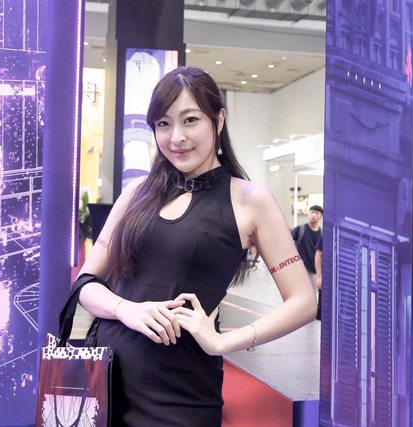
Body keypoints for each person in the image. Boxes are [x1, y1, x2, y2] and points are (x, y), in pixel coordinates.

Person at [76, 66, 317, 426]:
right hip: (106, 386)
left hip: (181, 395)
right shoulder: (136, 194)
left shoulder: (250, 200)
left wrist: (226, 342)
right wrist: (126, 309)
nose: (177, 137)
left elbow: (303, 301)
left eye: (190, 120)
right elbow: (85, 284)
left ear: (218, 120)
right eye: (163, 124)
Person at [291, 205, 323, 290]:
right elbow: (287, 243)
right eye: (312, 212)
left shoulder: (322, 233)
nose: (313, 215)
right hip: (300, 270)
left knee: (312, 295)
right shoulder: (300, 229)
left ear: (321, 216)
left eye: (317, 213)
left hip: (314, 272)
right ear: (308, 214)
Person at [314, 234, 323, 320]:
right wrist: (319, 276)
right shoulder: (327, 234)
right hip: (326, 278)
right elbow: (318, 253)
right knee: (322, 311)